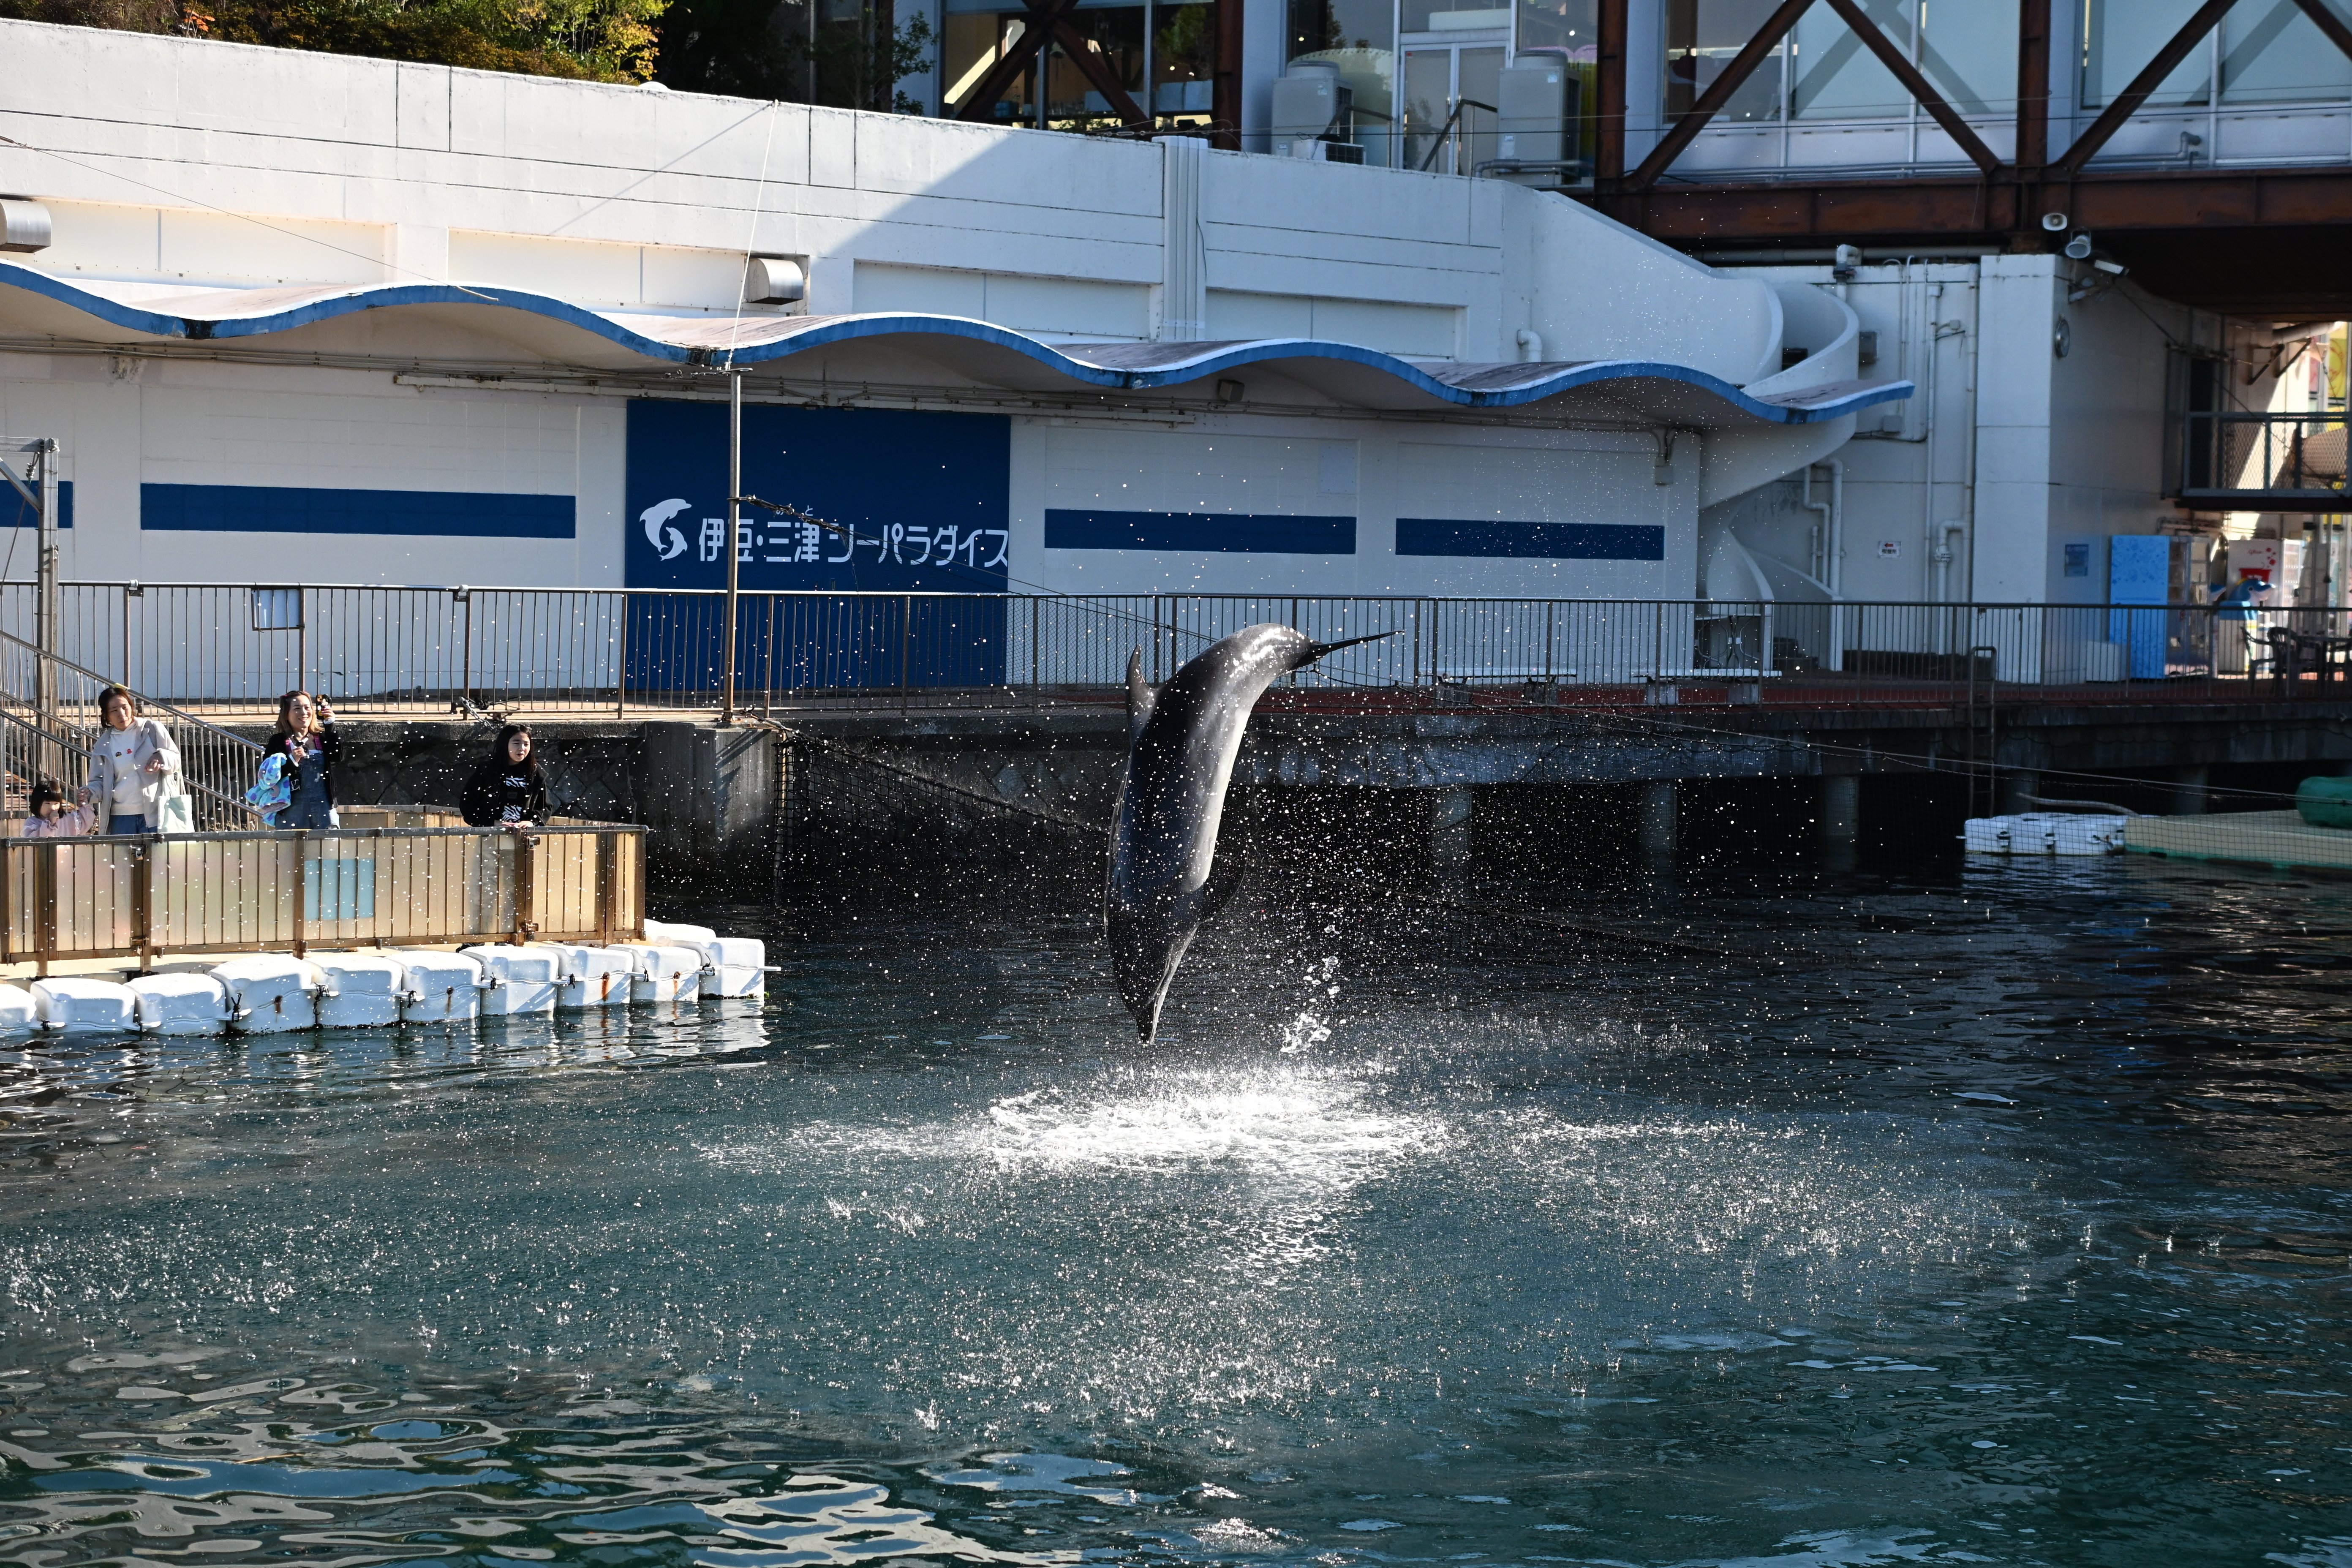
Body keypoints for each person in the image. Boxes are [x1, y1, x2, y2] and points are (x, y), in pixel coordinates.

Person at [84, 684, 182, 835]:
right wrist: (89, 793)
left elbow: (176, 760)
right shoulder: (103, 745)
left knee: (159, 852)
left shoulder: (152, 729)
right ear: (106, 716)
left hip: (156, 812)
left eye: (125, 707)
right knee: (121, 852)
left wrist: (161, 756)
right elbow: (99, 781)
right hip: (120, 817)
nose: (122, 714)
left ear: (132, 707)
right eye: (114, 710)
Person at [261, 689, 339, 829]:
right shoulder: (278, 741)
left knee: (329, 842)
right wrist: (292, 760)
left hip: (324, 808)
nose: (304, 713)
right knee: (291, 844)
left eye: (307, 708)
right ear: (286, 714)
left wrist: (330, 726)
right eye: (297, 708)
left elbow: (337, 756)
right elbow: (268, 776)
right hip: (291, 810)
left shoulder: (321, 738)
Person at [461, 724, 550, 830]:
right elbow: (467, 803)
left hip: (523, 834)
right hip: (490, 834)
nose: (522, 748)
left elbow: (545, 807)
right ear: (505, 744)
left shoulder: (536, 773)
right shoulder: (488, 771)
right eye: (516, 743)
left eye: (526, 744)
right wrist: (492, 822)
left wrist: (532, 822)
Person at [21, 779, 96, 838]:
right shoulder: (32, 823)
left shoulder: (68, 820)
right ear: (37, 803)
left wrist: (84, 803)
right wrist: (51, 824)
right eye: (48, 803)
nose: (53, 808)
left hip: (68, 853)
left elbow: (86, 823)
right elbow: (42, 842)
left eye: (56, 804)